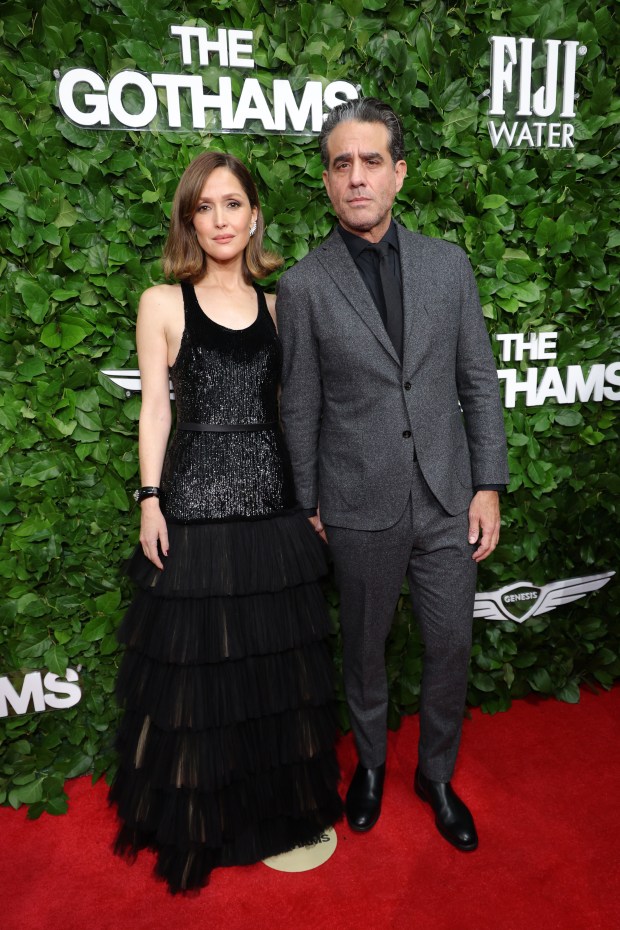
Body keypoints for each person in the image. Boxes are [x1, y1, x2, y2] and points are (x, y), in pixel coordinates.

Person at [276, 98, 509, 852]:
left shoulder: (449, 265)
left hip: (448, 497)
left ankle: (435, 775)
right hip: (355, 502)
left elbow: (479, 381)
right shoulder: (308, 284)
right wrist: (308, 501)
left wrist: (488, 485)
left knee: (449, 646)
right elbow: (301, 402)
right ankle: (371, 767)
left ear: (399, 173)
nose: (356, 177)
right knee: (365, 649)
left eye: (371, 160)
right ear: (326, 180)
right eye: (341, 163)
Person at [109, 151, 342, 893]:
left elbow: (293, 415)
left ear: (253, 216)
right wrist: (149, 497)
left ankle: (270, 811)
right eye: (204, 207)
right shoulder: (162, 303)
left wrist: (310, 502)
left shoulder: (281, 309)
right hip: (194, 514)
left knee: (271, 677)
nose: (219, 220)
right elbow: (155, 407)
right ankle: (204, 820)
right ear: (189, 220)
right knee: (201, 682)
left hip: (271, 515)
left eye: (232, 204)